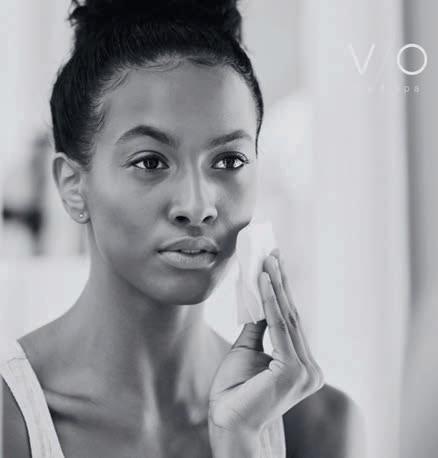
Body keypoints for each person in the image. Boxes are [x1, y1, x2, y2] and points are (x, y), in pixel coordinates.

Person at [1, 1, 363, 456]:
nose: (197, 207)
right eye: (150, 162)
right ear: (73, 186)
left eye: (228, 161)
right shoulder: (10, 420)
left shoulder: (317, 425)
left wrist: (240, 441)